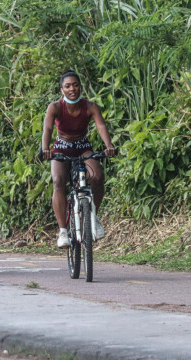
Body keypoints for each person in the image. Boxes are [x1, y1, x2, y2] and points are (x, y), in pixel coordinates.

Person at [42, 70, 115, 248]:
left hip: (83, 147)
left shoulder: (90, 106)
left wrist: (109, 145)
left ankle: (93, 217)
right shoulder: (55, 107)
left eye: (75, 85)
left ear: (80, 87)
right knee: (58, 181)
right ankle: (63, 232)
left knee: (97, 176)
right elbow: (48, 129)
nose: (72, 89)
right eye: (67, 86)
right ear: (62, 90)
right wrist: (45, 149)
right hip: (61, 148)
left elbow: (100, 125)